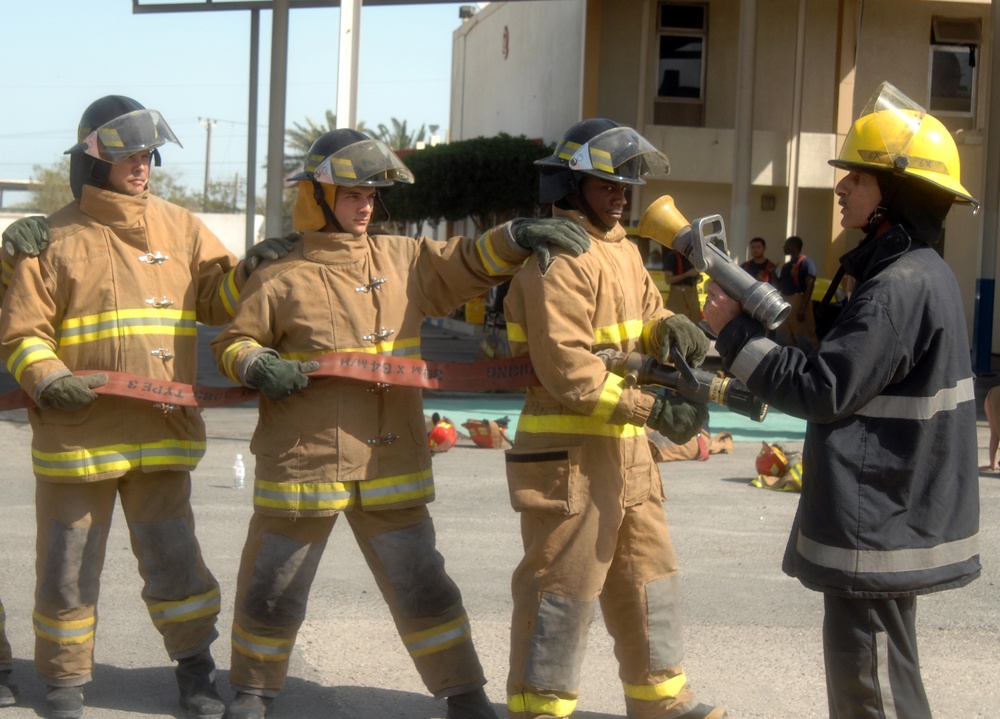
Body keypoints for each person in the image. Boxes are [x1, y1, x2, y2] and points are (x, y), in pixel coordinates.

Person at [209, 128, 590, 719]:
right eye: (352, 193)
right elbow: (233, 342)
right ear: (318, 195)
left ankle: (463, 693)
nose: (366, 205)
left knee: (424, 584)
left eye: (371, 195)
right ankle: (254, 691)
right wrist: (258, 363)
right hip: (306, 461)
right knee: (275, 585)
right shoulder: (282, 273)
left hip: (391, 461)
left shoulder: (404, 258)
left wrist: (514, 236)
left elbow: (466, 262)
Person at [0, 95, 292, 719]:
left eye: (148, 154)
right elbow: (23, 334)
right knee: (67, 569)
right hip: (78, 439)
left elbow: (217, 300)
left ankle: (194, 674)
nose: (143, 165)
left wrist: (250, 273)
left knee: (175, 564)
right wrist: (48, 380)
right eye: (129, 155)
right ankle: (64, 684)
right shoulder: (49, 238)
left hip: (162, 434)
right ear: (93, 160)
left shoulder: (181, 226)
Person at [703, 81, 981, 718]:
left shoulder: (896, 289)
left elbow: (823, 388)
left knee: (871, 691)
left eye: (858, 176)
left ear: (898, 194)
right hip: (888, 514)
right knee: (886, 681)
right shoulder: (917, 275)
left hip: (878, 523)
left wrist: (734, 333)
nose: (842, 186)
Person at [501, 117, 726, 719]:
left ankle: (662, 703)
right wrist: (653, 407)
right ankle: (538, 709)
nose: (622, 194)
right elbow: (571, 371)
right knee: (562, 590)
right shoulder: (560, 259)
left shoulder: (623, 250)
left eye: (626, 183)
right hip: (568, 461)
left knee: (648, 577)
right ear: (572, 188)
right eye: (607, 184)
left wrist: (667, 328)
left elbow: (643, 318)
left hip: (628, 454)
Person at [776, 235, 819, 350]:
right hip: (785, 300)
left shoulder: (806, 262)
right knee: (784, 336)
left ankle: (809, 363)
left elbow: (810, 284)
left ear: (794, 246)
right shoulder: (786, 266)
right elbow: (780, 286)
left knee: (803, 335)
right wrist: (772, 273)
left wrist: (802, 307)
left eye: (786, 245)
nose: (784, 247)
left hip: (798, 300)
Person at [663, 246, 702, 322]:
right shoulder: (672, 256)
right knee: (679, 322)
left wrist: (697, 276)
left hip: (692, 294)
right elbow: (668, 280)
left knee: (696, 322)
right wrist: (687, 274)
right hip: (678, 295)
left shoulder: (691, 257)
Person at [980, 386, 1000, 472]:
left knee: (995, 433)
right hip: (995, 396)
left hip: (993, 395)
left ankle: (993, 464)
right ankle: (993, 464)